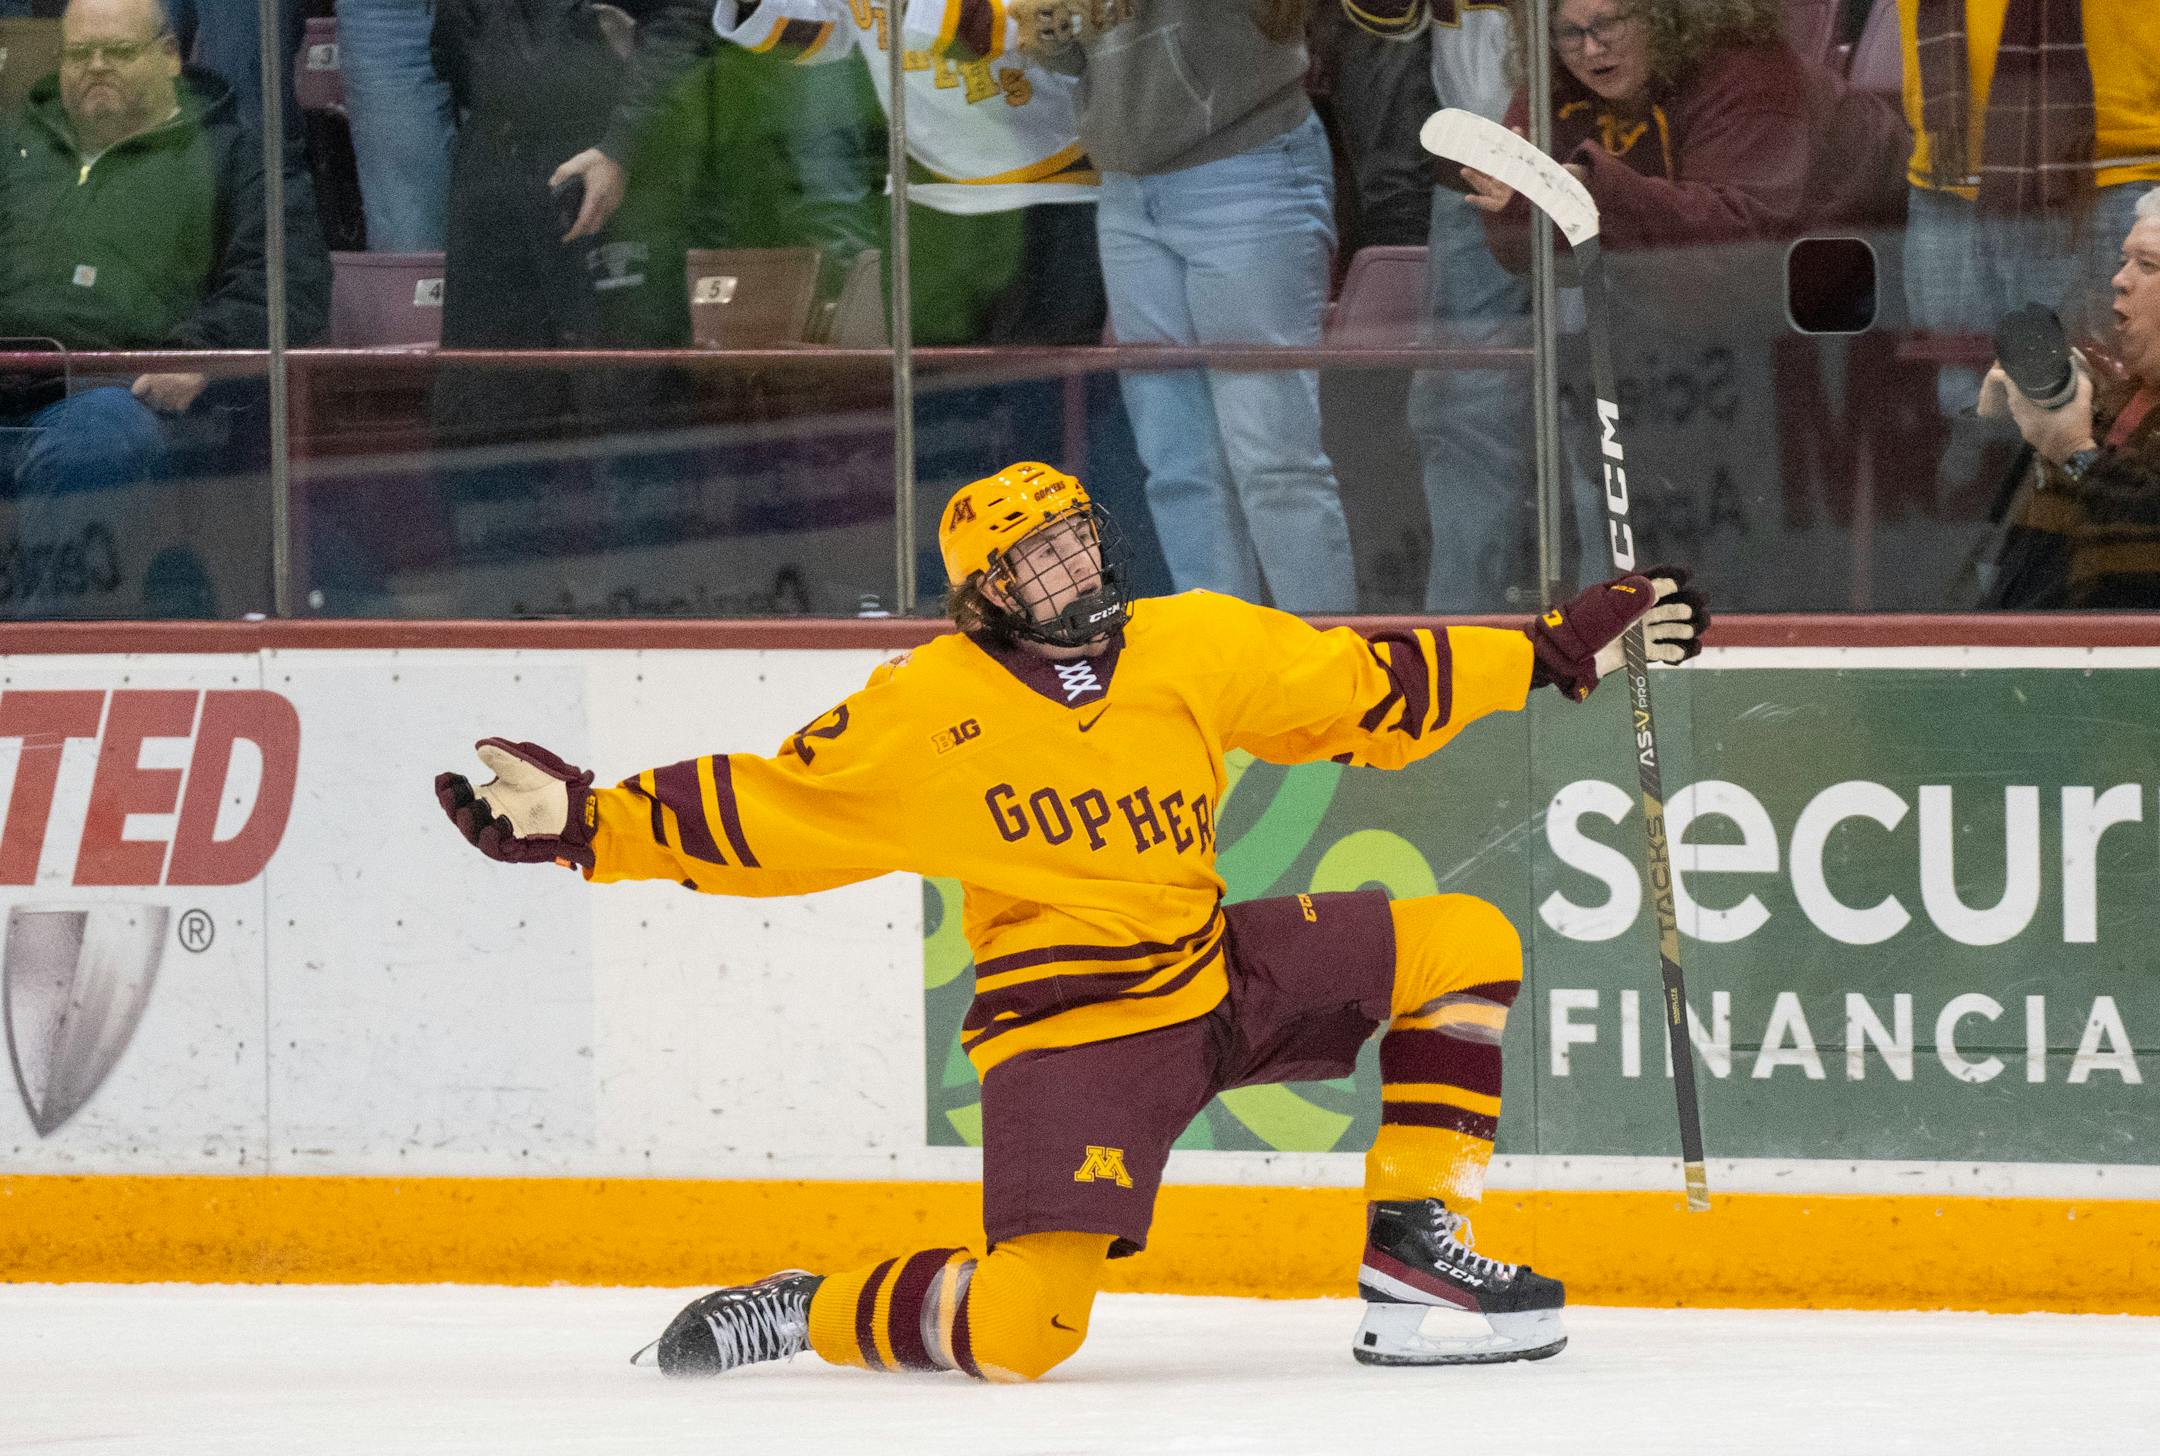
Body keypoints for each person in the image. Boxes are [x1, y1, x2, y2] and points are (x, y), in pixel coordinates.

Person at [434, 460, 1710, 1382]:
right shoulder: (923, 706)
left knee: (1464, 941)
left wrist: (1553, 652)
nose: (1072, 569)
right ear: (985, 595)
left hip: (1215, 976)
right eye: (1035, 560)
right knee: (1025, 1331)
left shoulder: (1190, 644)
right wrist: (591, 823)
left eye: (1077, 542)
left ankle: (1414, 1249)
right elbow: (772, 810)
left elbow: (1365, 687)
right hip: (1071, 1037)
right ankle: (807, 1308)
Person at [1463, 0, 1904, 590]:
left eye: (1608, 24)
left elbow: (1737, 237)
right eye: (1569, 33)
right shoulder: (1554, 83)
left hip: (1847, 274)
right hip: (1690, 301)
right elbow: (1543, 250)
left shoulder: (1745, 67)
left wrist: (1588, 194)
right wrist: (1518, 207)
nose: (1591, 49)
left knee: (1776, 527)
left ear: (1663, 16)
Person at [1014, 1, 1358, 614]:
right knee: (1177, 464)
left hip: (1245, 163)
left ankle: (1331, 666)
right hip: (1126, 186)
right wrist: (1047, 22)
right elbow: (1069, 52)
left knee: (1273, 459)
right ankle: (1222, 660)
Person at [0, 0, 329, 506]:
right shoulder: (14, 153)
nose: (96, 66)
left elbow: (288, 281)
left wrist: (205, 353)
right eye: (80, 52)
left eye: (119, 51)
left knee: (95, 444)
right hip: (8, 382)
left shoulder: (238, 158)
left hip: (120, 400)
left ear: (170, 55)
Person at [1338, 0, 1534, 613]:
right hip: (1469, 177)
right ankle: (1458, 625)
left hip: (1588, 152)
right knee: (1451, 413)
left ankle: (1606, 616)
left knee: (1584, 414)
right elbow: (1387, 18)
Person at [1978, 187, 2160, 607]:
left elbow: (2146, 552)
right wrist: (1993, 428)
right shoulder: (2111, 396)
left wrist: (2074, 451)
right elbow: (1962, 523)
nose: (2119, 279)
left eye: (2146, 265)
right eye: (2122, 261)